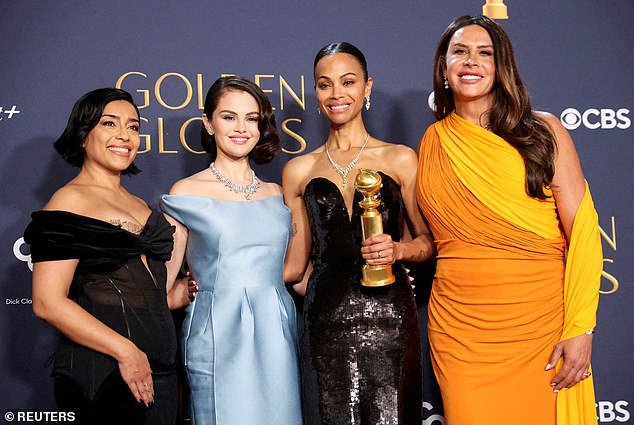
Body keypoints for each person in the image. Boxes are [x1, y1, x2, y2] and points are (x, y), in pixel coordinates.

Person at [417, 15, 602, 425]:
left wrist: (580, 328)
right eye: (460, 52)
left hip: (540, 325)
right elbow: (433, 239)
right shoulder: (433, 142)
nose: (471, 62)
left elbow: (585, 233)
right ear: (443, 68)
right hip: (460, 332)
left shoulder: (543, 130)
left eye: (485, 54)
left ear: (502, 67)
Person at [283, 42, 435, 425]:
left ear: (367, 87)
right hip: (325, 325)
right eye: (324, 84)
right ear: (315, 93)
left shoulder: (399, 158)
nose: (337, 94)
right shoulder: (299, 170)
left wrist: (398, 250)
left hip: (391, 321)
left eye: (348, 82)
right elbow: (296, 267)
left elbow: (427, 243)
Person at [24, 88, 189, 424]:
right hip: (105, 376)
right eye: (110, 123)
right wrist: (125, 352)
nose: (124, 136)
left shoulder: (139, 205)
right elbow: (47, 302)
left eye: (133, 127)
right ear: (83, 135)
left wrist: (188, 290)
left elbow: (149, 297)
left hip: (161, 373)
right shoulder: (69, 201)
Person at [159, 76, 302, 425]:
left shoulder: (275, 194)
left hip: (277, 331)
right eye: (228, 117)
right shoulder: (187, 192)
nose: (241, 128)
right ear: (208, 123)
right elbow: (160, 285)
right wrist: (179, 293)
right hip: (217, 331)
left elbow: (295, 271)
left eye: (251, 118)